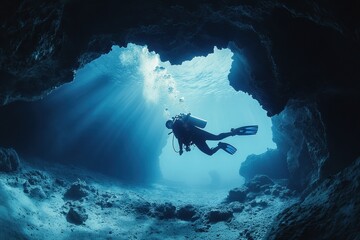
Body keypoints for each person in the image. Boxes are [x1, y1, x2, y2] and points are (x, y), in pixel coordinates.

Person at [165, 113, 239, 156]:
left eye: (170, 123)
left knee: (216, 140)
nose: (171, 125)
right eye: (169, 125)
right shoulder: (177, 126)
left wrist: (181, 149)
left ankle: (231, 133)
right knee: (211, 150)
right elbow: (182, 138)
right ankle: (224, 142)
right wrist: (186, 147)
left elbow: (180, 139)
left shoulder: (177, 124)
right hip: (197, 139)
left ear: (172, 121)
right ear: (169, 127)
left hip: (198, 135)